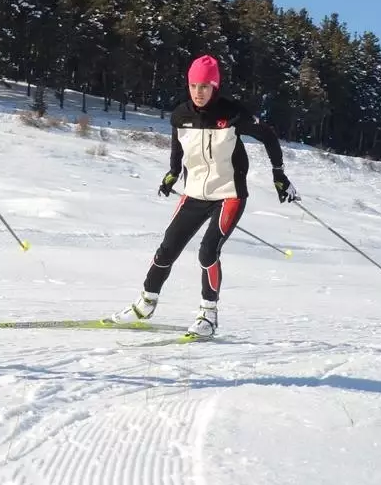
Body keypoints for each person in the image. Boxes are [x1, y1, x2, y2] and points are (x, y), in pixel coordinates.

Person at [111, 54, 300, 337]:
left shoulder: (233, 114)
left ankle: (208, 316)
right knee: (167, 249)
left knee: (208, 251)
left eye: (204, 87)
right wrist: (173, 173)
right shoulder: (180, 115)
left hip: (229, 194)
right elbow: (178, 148)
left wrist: (279, 175)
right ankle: (145, 304)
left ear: (215, 86)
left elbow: (269, 136)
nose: (198, 93)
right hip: (194, 193)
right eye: (193, 86)